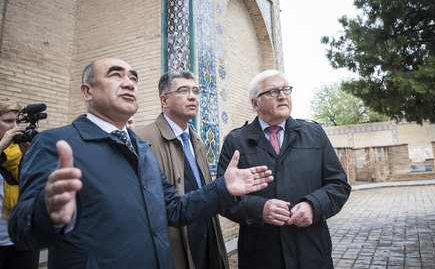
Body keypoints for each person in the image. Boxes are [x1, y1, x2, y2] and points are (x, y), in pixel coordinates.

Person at [8, 58, 273, 269]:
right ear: (87, 91)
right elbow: (22, 231)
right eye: (115, 75)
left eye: (133, 78)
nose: (129, 83)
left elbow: (175, 209)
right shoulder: (56, 144)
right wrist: (47, 212)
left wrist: (222, 188)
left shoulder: (140, 149)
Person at [217, 70, 351, 269]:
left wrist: (313, 206)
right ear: (255, 103)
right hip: (261, 255)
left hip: (311, 251)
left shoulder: (314, 134)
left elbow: (339, 185)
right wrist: (259, 209)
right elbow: (222, 198)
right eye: (272, 92)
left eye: (286, 90)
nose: (282, 96)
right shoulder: (236, 141)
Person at [137, 70, 228, 269]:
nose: (192, 96)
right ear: (164, 100)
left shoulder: (197, 141)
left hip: (207, 238)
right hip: (176, 245)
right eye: (183, 90)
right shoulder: (143, 141)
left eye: (195, 91)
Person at [0, 98, 39, 269]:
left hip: (23, 237)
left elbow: (35, 186)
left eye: (17, 121)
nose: (15, 127)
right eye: (8, 121)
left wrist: (29, 155)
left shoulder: (20, 151)